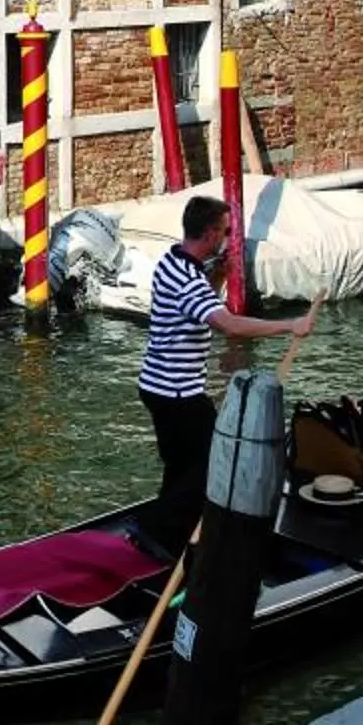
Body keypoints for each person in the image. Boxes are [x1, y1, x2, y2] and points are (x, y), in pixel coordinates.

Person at [138, 195, 318, 550]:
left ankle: (165, 533)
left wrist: (218, 278)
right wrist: (290, 325)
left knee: (180, 464)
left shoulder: (171, 262)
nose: (226, 238)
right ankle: (158, 532)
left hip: (155, 385)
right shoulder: (189, 279)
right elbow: (229, 325)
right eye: (224, 231)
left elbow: (195, 309)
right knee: (214, 461)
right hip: (178, 393)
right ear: (209, 234)